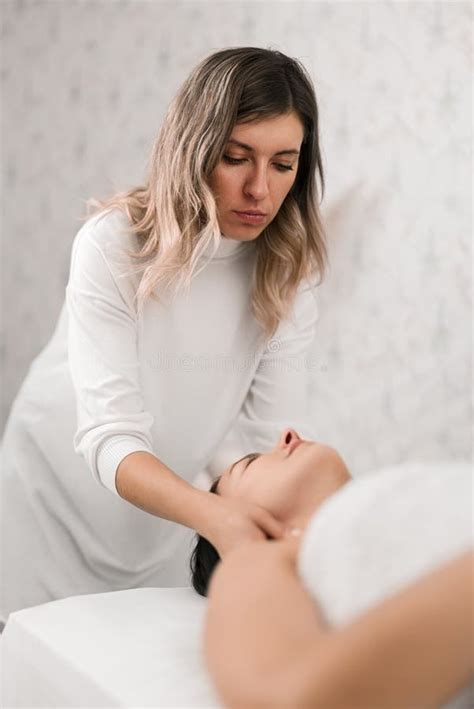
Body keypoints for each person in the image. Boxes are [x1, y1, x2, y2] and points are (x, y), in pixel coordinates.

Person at [0, 46, 328, 622]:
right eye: (236, 157)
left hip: (164, 521)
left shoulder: (289, 274)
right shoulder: (114, 244)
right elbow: (110, 434)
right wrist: (213, 515)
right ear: (194, 150)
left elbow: (254, 443)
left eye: (283, 163)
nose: (260, 190)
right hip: (45, 503)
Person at [197, 428, 473, 708]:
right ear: (237, 521)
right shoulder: (255, 559)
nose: (288, 434)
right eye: (250, 464)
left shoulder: (399, 496)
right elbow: (280, 697)